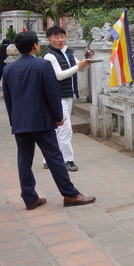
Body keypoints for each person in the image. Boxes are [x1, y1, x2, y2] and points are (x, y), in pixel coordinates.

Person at [2, 32, 95, 210]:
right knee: (54, 158)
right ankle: (70, 194)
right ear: (35, 46)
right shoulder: (42, 65)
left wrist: (13, 120)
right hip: (41, 120)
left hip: (20, 121)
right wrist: (58, 117)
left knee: (24, 160)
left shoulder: (8, 69)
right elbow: (52, 93)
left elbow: (8, 99)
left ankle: (30, 198)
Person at [41, 26, 91, 172]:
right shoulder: (50, 55)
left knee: (58, 129)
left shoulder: (68, 53)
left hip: (67, 96)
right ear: (49, 39)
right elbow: (59, 75)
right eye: (56, 37)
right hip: (57, 96)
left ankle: (48, 159)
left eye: (62, 36)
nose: (60, 40)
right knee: (66, 129)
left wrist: (87, 62)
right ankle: (67, 160)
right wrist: (78, 66)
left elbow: (80, 68)